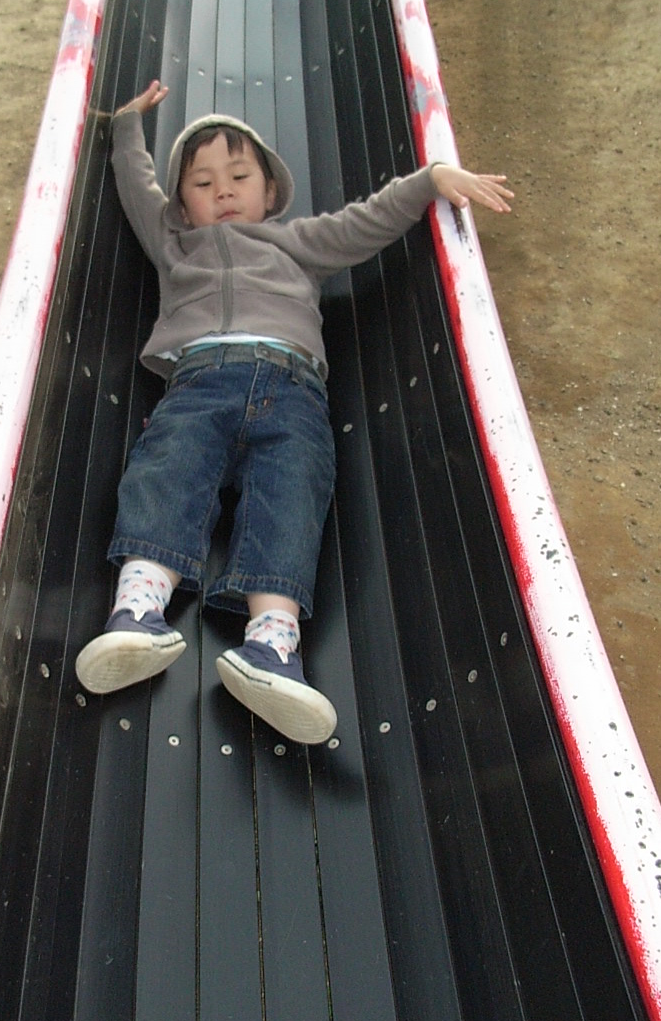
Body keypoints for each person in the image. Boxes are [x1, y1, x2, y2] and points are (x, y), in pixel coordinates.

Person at [75, 80, 512, 743]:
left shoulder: (297, 242)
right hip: (200, 382)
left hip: (294, 390)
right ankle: (137, 614)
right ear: (182, 207)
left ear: (270, 191)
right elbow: (137, 185)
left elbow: (367, 220)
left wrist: (430, 179)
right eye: (202, 183)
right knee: (167, 468)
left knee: (292, 495)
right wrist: (127, 124)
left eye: (239, 176)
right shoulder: (175, 246)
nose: (223, 191)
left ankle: (272, 647)